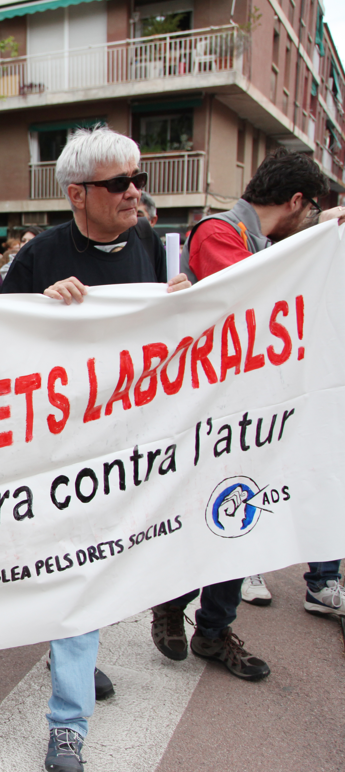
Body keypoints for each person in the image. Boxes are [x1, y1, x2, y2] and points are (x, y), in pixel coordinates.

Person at [0, 126, 190, 772]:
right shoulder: (41, 256)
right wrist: (40, 310)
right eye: (119, 183)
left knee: (97, 578)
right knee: (76, 578)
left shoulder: (150, 248)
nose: (135, 193)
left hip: (127, 453)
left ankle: (72, 663)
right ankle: (69, 723)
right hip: (54, 458)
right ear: (77, 194)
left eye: (138, 179)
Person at [179, 148, 345, 617]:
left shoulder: (262, 242)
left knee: (242, 520)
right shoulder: (218, 231)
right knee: (215, 517)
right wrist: (317, 241)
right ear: (297, 201)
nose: (313, 217)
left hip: (255, 407)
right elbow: (253, 297)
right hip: (219, 410)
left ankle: (213, 630)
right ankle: (174, 603)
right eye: (312, 209)